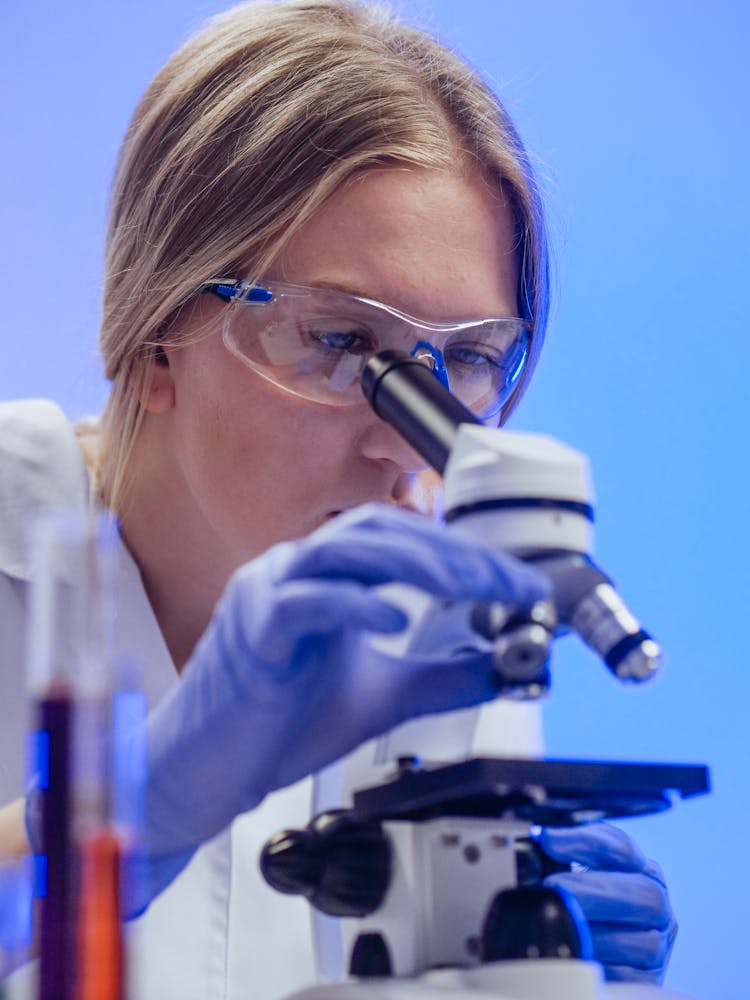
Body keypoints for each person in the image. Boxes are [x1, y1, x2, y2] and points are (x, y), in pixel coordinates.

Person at [0, 0, 676, 996]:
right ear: (154, 335)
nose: (406, 438)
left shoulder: (440, 636)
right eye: (338, 341)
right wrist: (137, 810)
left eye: (469, 359)